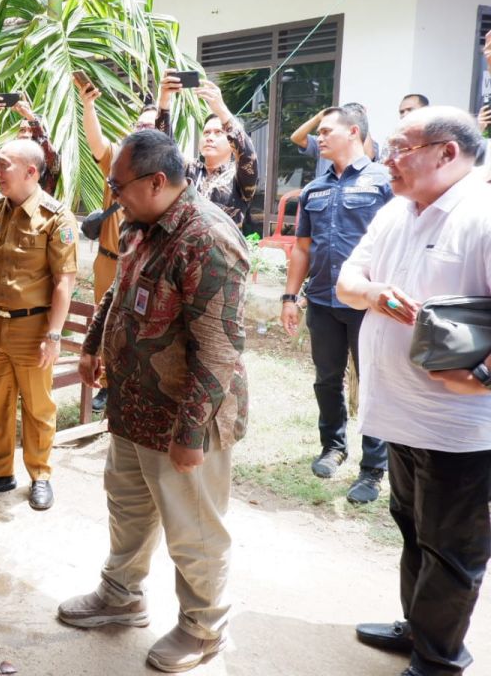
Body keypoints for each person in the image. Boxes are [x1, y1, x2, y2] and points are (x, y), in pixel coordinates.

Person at [59, 129, 249, 673]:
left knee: (194, 531)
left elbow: (220, 347)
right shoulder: (142, 225)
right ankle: (121, 595)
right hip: (133, 404)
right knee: (129, 508)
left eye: (118, 185)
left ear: (156, 181)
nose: (113, 195)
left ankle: (204, 629)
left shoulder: (207, 237)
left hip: (184, 419)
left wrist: (191, 434)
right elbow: (119, 291)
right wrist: (94, 344)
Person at [336, 106, 491, 676]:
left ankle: (439, 659)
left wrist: (483, 376)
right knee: (413, 529)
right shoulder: (397, 211)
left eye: (402, 146)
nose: (388, 158)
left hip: (459, 428)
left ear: (447, 153)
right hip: (397, 412)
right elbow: (347, 282)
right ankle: (421, 628)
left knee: (453, 551)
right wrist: (376, 294)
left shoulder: (482, 214)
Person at [0, 139, 78, 511]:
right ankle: (1, 471)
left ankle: (40, 474)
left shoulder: (57, 218)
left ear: (31, 172)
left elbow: (64, 281)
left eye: (5, 165)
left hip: (33, 329)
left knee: (38, 406)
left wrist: (54, 335)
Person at [280, 106, 393, 503]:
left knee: (373, 382)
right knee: (327, 379)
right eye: (320, 132)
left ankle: (373, 468)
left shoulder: (384, 183)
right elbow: (302, 250)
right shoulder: (314, 189)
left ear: (354, 132)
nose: (320, 137)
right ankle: (333, 446)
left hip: (368, 305)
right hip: (324, 301)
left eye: (328, 131)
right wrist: (290, 297)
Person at [76, 75, 157, 414]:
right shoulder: (119, 162)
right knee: (104, 321)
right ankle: (108, 386)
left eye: (150, 126)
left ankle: (138, 384)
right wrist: (88, 105)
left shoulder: (166, 173)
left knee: (142, 325)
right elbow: (96, 143)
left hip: (147, 263)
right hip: (109, 261)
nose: (141, 130)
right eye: (138, 124)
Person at [155, 70, 258, 228]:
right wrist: (164, 100)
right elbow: (163, 148)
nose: (210, 137)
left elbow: (248, 157)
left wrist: (221, 110)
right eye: (206, 133)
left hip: (221, 251)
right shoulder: (189, 170)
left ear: (232, 143)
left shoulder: (238, 178)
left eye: (218, 133)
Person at [0, 93, 61, 195]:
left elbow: (44, 144)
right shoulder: (10, 161)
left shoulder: (52, 162)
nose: (25, 135)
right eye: (22, 130)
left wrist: (30, 117)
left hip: (38, 210)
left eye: (31, 131)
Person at [290, 102, 381, 179]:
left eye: (326, 131)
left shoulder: (368, 144)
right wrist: (318, 117)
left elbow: (368, 156)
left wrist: (362, 121)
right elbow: (296, 138)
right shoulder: (323, 142)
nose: (320, 138)